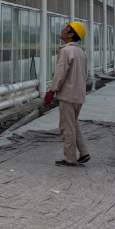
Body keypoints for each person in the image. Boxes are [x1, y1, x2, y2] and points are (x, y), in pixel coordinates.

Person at [44, 21, 90, 167]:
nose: (62, 30)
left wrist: (52, 90)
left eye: (66, 28)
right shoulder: (80, 52)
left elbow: (60, 73)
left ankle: (70, 159)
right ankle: (84, 153)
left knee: (66, 127)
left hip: (68, 95)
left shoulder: (66, 51)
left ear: (70, 35)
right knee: (73, 123)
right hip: (78, 95)